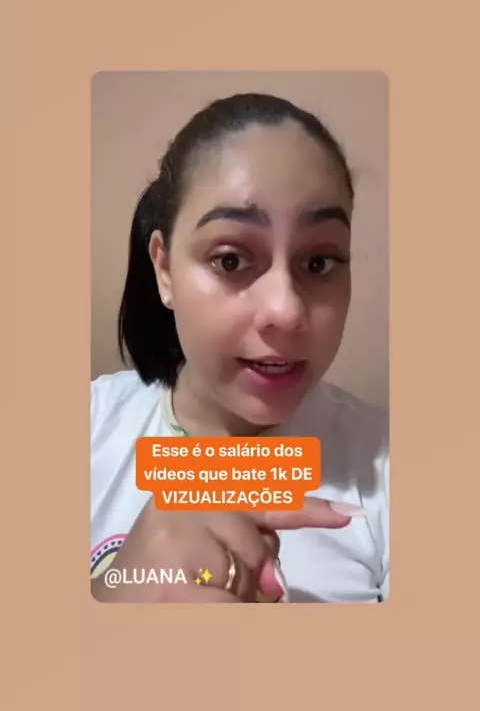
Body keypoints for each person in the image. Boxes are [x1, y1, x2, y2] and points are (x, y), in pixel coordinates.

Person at [90, 92, 389, 604]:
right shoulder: (87, 425)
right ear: (164, 269)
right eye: (230, 260)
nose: (286, 310)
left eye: (319, 262)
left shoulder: (390, 464)